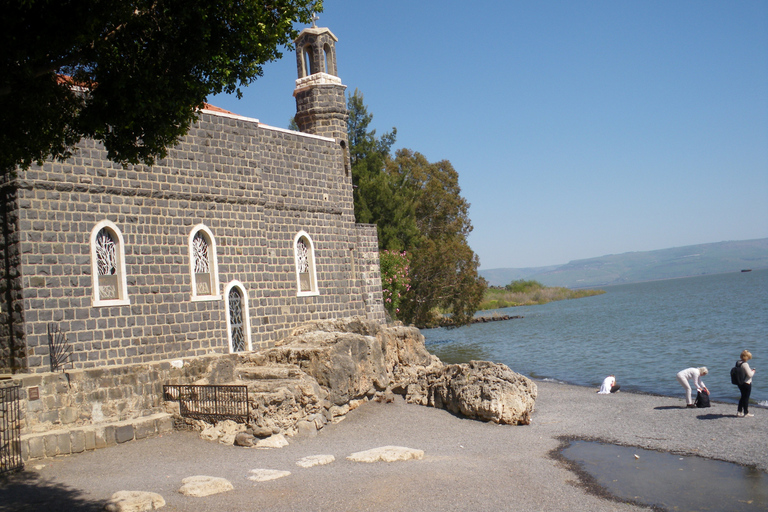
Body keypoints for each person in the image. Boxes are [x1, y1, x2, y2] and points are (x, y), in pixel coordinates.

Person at [736, 350, 756, 417]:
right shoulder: (745, 364)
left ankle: (739, 411)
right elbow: (750, 375)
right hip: (746, 383)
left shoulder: (738, 363)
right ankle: (746, 412)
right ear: (747, 357)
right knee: (746, 398)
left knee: (742, 397)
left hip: (740, 382)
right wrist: (753, 371)